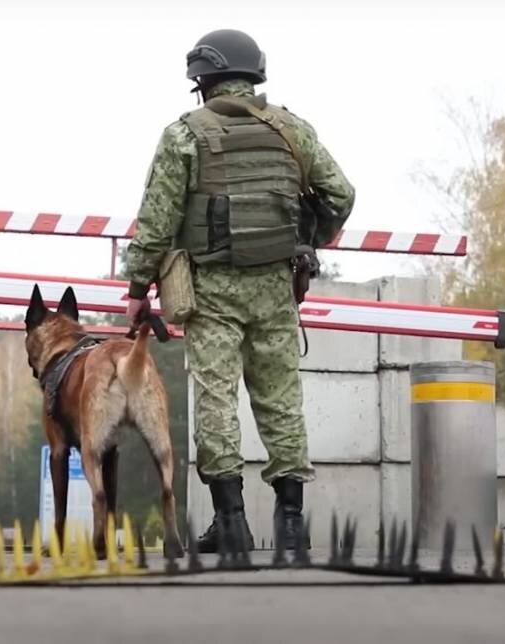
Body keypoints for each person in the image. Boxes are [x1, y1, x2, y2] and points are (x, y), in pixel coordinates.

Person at [125, 29, 355, 552]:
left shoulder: (184, 135)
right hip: (277, 284)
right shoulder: (294, 130)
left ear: (203, 81)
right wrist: (309, 237)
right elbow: (341, 194)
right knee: (281, 401)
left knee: (215, 400)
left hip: (211, 288)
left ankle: (231, 524)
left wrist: (139, 286)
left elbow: (157, 223)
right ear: (254, 76)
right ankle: (291, 525)